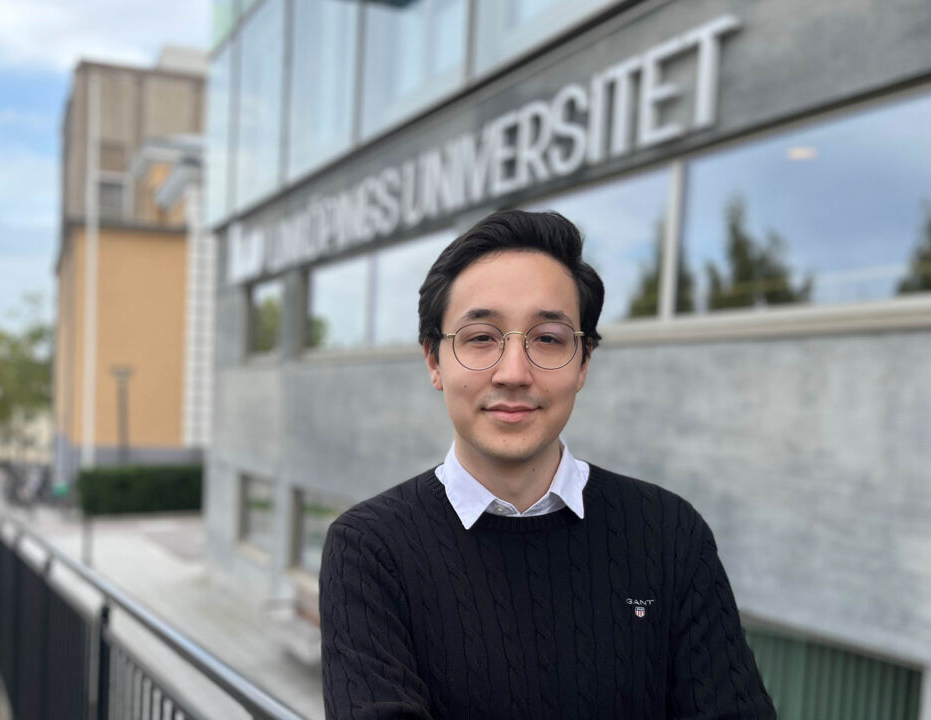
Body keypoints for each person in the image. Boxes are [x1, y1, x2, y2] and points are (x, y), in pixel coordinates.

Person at [319, 210, 776, 719]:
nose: (514, 373)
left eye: (549, 339)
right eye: (481, 338)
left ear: (583, 364)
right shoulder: (369, 550)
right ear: (434, 361)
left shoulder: (670, 534)